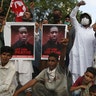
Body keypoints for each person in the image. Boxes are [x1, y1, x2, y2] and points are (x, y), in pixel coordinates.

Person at [69, 1, 95, 83]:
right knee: (76, 77)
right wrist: (77, 5)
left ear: (90, 20)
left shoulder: (93, 31)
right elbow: (72, 16)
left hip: (89, 58)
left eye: (87, 17)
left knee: (89, 78)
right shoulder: (78, 27)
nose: (85, 19)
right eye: (83, 17)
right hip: (77, 57)